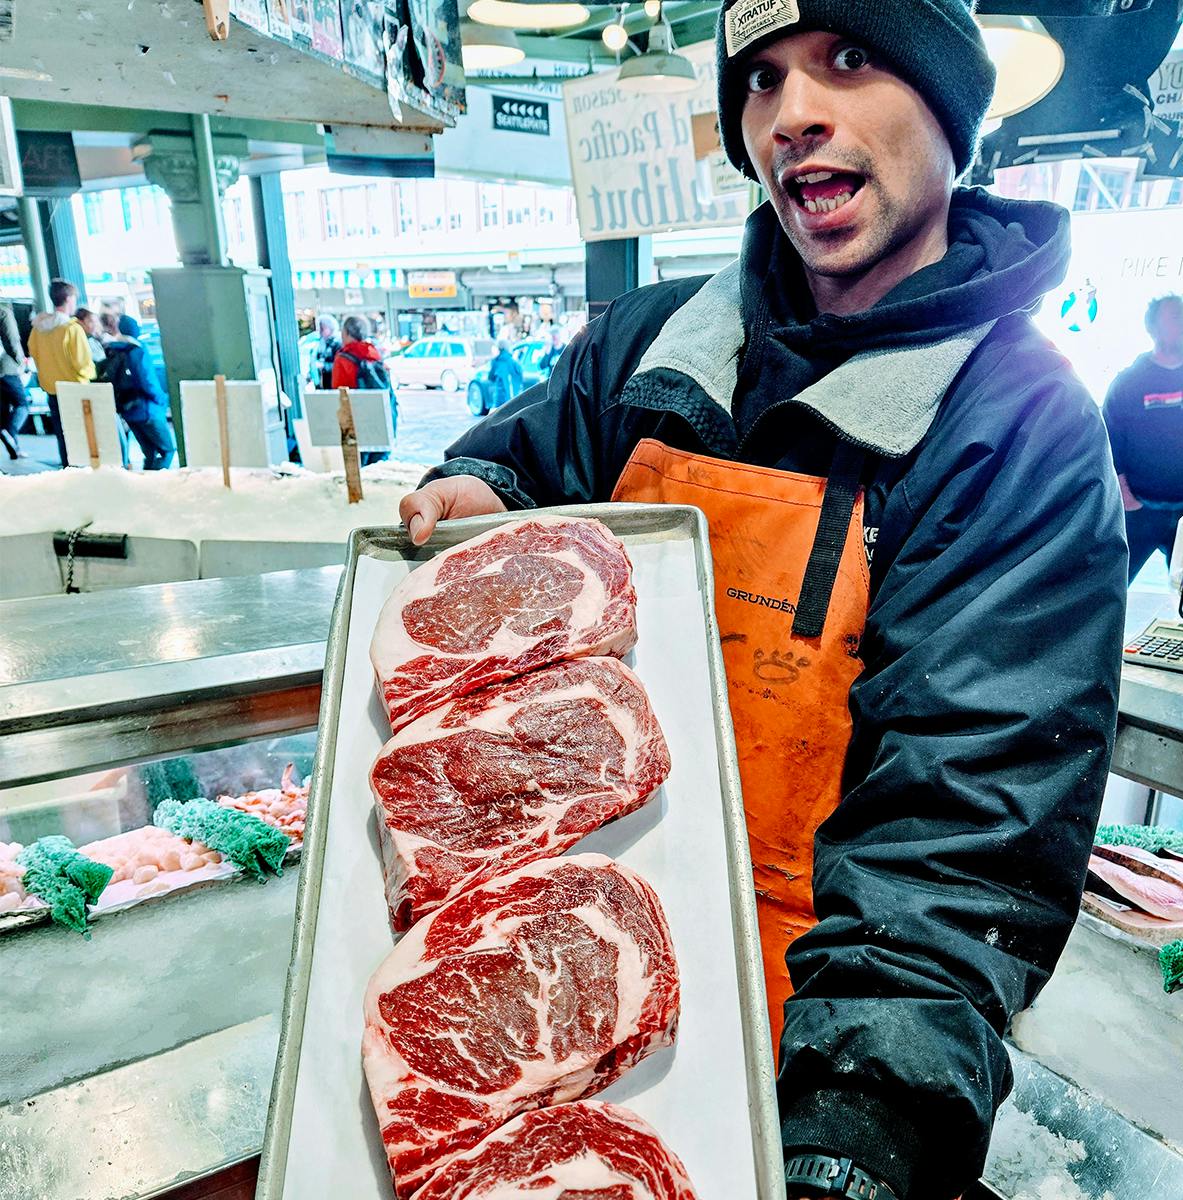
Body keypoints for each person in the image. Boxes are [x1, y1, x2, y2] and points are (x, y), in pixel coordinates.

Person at [398, 5, 1128, 1199]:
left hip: (822, 1051)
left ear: (950, 114)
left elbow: (961, 841)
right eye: (761, 82)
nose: (793, 116)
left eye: (849, 59)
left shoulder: (1020, 430)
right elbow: (525, 456)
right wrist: (478, 489)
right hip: (571, 982)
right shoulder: (648, 343)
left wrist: (852, 1139)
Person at [1103, 294, 1183, 582]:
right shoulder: (1130, 381)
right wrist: (1127, 498)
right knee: (1113, 587)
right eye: (1173, 318)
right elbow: (1110, 443)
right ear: (1153, 328)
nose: (1182, 324)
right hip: (1140, 511)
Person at [27, 279, 95, 467]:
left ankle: (69, 473)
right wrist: (93, 373)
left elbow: (33, 353)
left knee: (64, 437)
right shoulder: (72, 329)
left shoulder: (38, 329)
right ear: (69, 298)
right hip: (76, 391)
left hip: (52, 391)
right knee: (84, 439)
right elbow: (82, 364)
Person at [105, 315, 175, 470]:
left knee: (149, 453)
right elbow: (148, 381)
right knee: (167, 451)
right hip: (147, 409)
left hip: (128, 410)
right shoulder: (137, 351)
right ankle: (156, 485)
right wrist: (161, 399)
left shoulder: (113, 350)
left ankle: (147, 486)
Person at [332, 314, 397, 465]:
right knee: (378, 467)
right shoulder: (373, 352)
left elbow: (339, 393)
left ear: (346, 333)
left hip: (357, 424)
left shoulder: (343, 358)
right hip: (379, 422)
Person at [0, 301, 29, 460]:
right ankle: (10, 432)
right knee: (21, 404)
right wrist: (21, 361)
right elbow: (12, 340)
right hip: (6, 367)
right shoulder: (3, 312)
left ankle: (14, 449)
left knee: (3, 409)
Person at [488, 339, 525, 407]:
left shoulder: (496, 362)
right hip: (514, 397)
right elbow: (521, 377)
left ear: (499, 349)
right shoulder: (514, 362)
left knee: (498, 416)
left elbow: (491, 378)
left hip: (500, 398)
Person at [310, 313, 341, 391]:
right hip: (323, 383)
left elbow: (340, 365)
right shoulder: (321, 343)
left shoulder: (337, 344)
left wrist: (324, 366)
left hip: (333, 383)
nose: (320, 331)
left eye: (322, 328)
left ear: (330, 328)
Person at [76, 308, 109, 373]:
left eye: (96, 321)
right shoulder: (81, 342)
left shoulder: (94, 340)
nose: (95, 325)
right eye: (91, 321)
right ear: (81, 323)